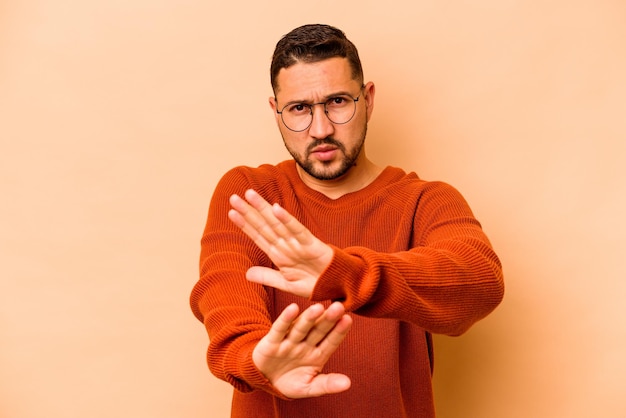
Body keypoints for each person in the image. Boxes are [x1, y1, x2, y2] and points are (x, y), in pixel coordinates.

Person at [190, 23, 504, 418]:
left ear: (368, 99)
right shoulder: (250, 192)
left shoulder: (424, 200)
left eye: (338, 101)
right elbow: (225, 299)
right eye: (299, 109)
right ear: (276, 112)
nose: (320, 129)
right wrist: (256, 360)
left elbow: (480, 283)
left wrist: (345, 274)